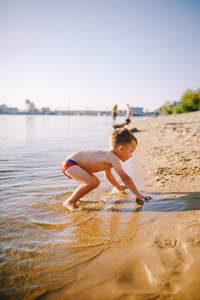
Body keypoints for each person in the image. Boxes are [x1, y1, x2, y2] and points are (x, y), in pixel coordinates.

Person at [61, 128, 152, 211]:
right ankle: (70, 201)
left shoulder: (110, 157)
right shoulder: (112, 158)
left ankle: (76, 198)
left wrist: (118, 187)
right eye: (131, 151)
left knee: (96, 182)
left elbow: (108, 175)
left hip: (73, 164)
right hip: (71, 163)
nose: (131, 155)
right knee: (91, 182)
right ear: (121, 149)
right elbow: (125, 178)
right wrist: (138, 195)